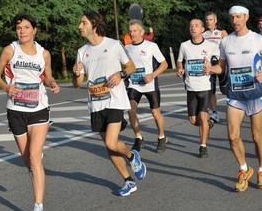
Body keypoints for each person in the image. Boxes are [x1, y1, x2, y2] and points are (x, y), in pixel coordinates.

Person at [203, 5, 262, 192]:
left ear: (246, 17)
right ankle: (244, 169)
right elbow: (222, 68)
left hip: (255, 95)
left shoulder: (257, 40)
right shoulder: (226, 41)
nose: (235, 21)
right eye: (232, 18)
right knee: (232, 136)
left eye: (238, 17)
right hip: (235, 96)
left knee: (256, 136)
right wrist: (211, 69)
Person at [0, 13, 60, 211]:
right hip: (16, 110)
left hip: (39, 108)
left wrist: (52, 83)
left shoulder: (44, 53)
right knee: (29, 162)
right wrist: (6, 87)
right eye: (19, 27)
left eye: (26, 27)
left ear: (34, 30)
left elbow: (47, 76)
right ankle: (36, 160)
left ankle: (38, 207)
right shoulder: (10, 50)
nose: (22, 31)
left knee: (33, 157)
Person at [72, 11, 146, 197]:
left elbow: (131, 67)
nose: (80, 26)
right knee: (109, 146)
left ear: (94, 25)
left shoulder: (113, 45)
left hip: (114, 100)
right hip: (95, 103)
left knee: (112, 142)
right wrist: (76, 73)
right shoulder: (82, 52)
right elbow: (78, 84)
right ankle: (129, 181)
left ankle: (131, 156)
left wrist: (120, 74)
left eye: (83, 23)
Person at [176, 19, 220, 159]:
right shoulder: (184, 45)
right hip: (190, 87)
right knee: (193, 120)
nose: (193, 28)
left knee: (202, 115)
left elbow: (220, 60)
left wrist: (212, 67)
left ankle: (203, 147)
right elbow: (179, 60)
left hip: (205, 86)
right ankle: (205, 127)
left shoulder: (211, 45)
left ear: (202, 30)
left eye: (196, 26)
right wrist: (180, 68)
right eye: (191, 26)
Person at [125, 20, 168, 153]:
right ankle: (138, 137)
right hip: (134, 84)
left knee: (155, 113)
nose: (132, 33)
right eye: (130, 31)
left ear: (142, 32)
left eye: (135, 31)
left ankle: (161, 136)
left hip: (150, 84)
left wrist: (152, 75)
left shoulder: (151, 46)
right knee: (131, 111)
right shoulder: (126, 48)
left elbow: (164, 64)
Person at [202, 12, 228, 123]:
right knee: (211, 91)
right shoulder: (203, 34)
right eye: (207, 20)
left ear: (215, 21)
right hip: (210, 65)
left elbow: (229, 46)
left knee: (225, 89)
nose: (208, 22)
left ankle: (233, 111)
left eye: (211, 19)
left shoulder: (222, 32)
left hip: (221, 64)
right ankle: (215, 113)